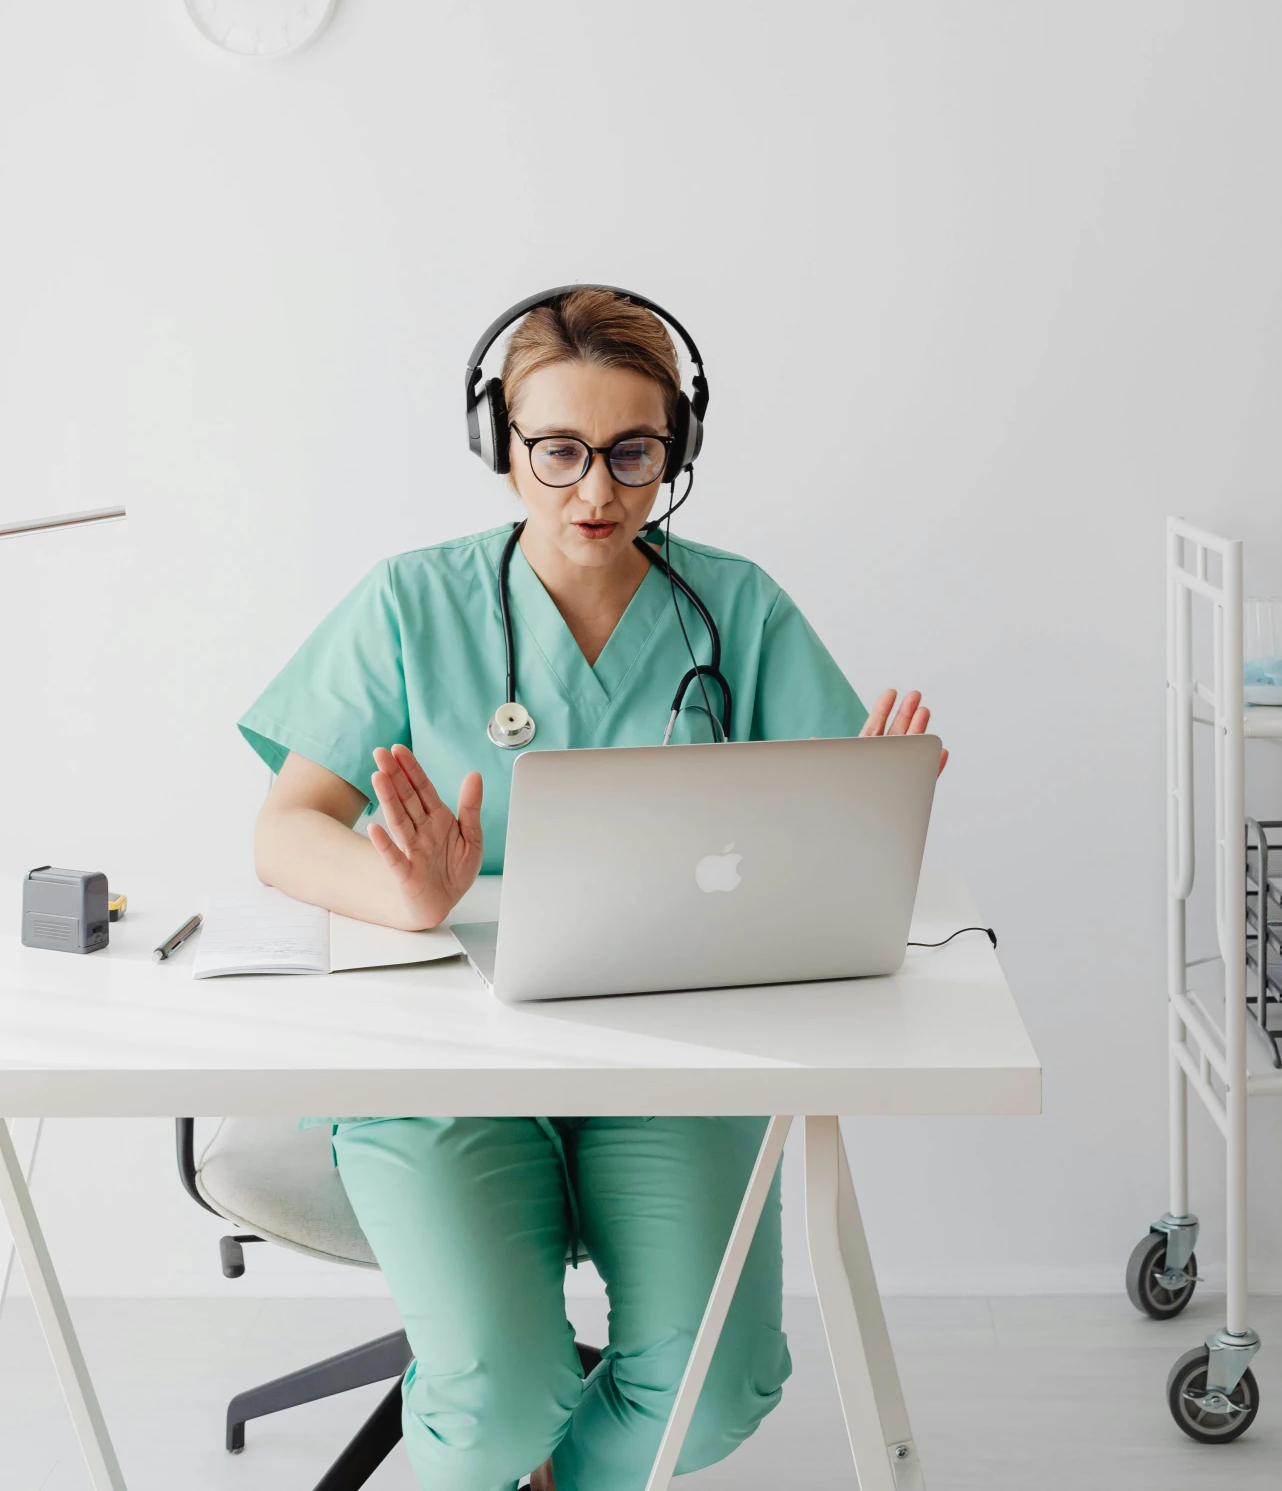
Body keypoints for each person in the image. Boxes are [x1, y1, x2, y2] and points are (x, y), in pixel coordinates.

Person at [241, 285, 939, 1491]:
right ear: (500, 446)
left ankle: (554, 1477)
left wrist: (872, 801)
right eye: (556, 451)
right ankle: (508, 1451)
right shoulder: (412, 603)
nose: (596, 490)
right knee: (497, 1394)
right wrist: (407, 895)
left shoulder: (738, 608)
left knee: (717, 1387)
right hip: (439, 1061)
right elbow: (284, 829)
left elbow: (828, 848)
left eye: (633, 452)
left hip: (671, 1051)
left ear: (678, 448)